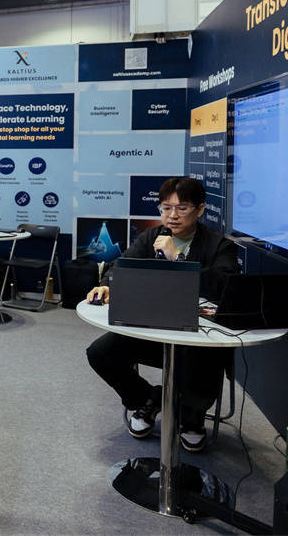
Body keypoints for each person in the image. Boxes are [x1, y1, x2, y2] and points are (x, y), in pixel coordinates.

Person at [85, 177, 240, 452]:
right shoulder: (151, 237)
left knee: (204, 364)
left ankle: (191, 418)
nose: (172, 215)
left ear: (200, 210)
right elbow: (122, 265)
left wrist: (177, 258)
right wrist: (108, 285)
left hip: (198, 338)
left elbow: (224, 287)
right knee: (101, 353)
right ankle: (147, 400)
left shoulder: (219, 245)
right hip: (153, 331)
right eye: (166, 208)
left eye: (182, 208)